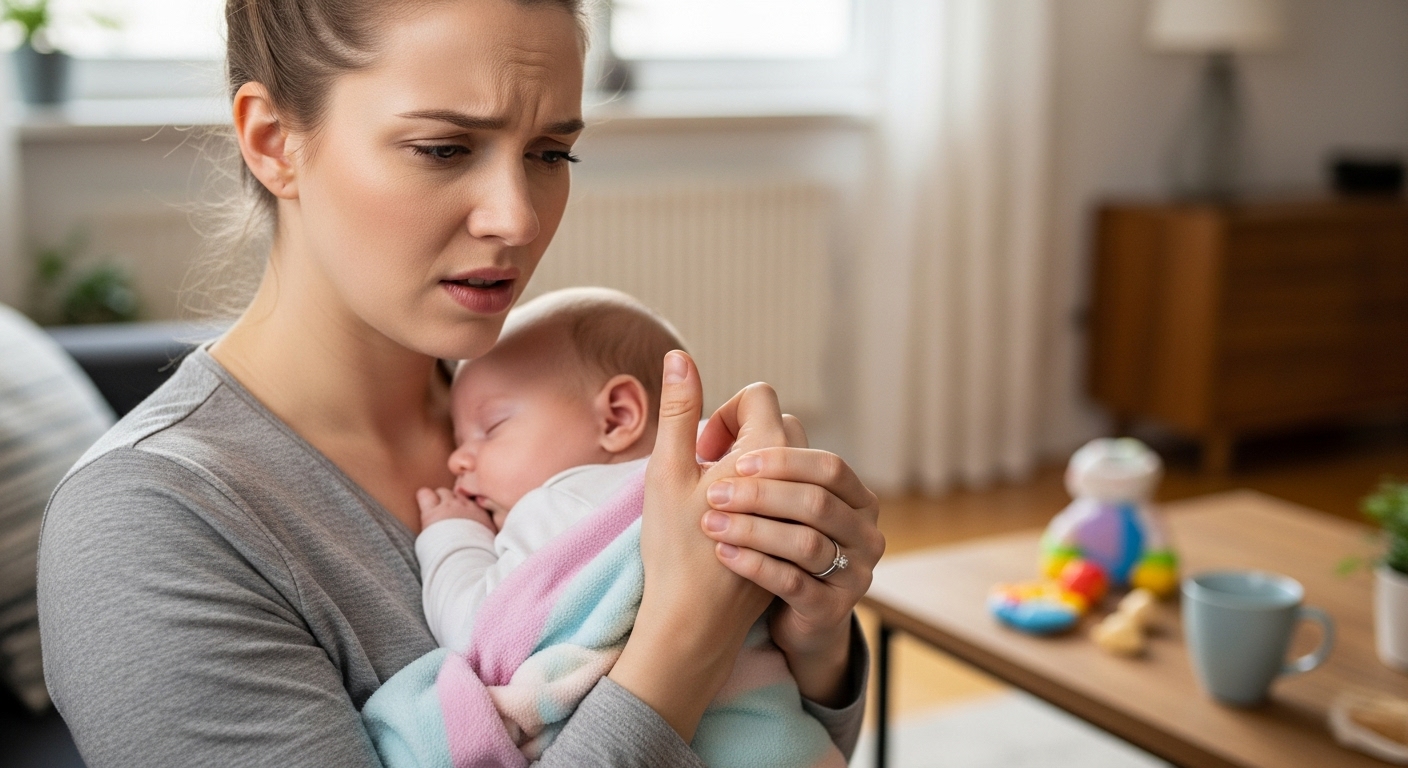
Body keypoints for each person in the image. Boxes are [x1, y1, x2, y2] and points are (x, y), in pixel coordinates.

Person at [36, 1, 885, 766]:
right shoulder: (141, 531)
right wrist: (685, 637)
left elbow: (757, 739)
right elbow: (677, 688)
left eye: (552, 152)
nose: (517, 218)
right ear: (271, 141)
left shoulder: (549, 403)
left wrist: (812, 630)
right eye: (443, 148)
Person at [389, 287, 844, 766]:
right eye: (460, 439)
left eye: (492, 427)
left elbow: (480, 635)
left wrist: (454, 535)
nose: (458, 459)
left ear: (617, 416)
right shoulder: (722, 484)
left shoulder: (560, 502)